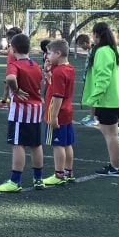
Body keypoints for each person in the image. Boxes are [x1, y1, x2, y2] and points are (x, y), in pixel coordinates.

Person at [0, 33, 45, 193]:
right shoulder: (35, 65)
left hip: (21, 111)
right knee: (36, 145)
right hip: (36, 110)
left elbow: (10, 78)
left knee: (18, 144)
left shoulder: (14, 64)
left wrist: (15, 90)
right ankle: (38, 179)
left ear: (13, 49)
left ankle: (15, 181)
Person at [82, 22, 119, 176]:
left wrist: (93, 97)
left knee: (111, 135)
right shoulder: (118, 50)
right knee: (113, 133)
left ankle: (115, 167)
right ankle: (117, 164)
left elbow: (103, 77)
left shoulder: (103, 51)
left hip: (107, 100)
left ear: (96, 35)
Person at [40, 39, 76, 186]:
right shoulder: (68, 68)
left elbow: (57, 96)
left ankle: (58, 174)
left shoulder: (59, 72)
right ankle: (68, 172)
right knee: (67, 143)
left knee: (58, 145)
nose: (47, 56)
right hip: (67, 112)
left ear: (58, 53)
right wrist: (48, 74)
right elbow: (54, 86)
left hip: (57, 113)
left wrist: (53, 116)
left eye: (49, 53)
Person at [0, 26, 22, 108]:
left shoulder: (14, 47)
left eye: (8, 38)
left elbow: (14, 55)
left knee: (10, 86)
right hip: (10, 68)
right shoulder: (12, 47)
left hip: (13, 69)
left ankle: (8, 101)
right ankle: (5, 100)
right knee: (7, 86)